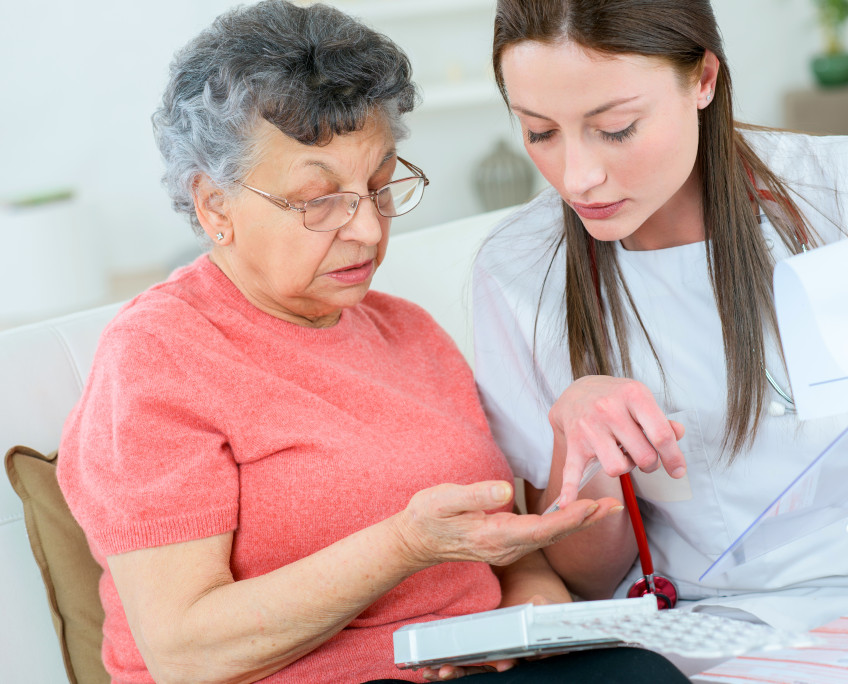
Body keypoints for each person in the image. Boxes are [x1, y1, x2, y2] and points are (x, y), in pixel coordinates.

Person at [55, 2, 691, 683]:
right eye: (319, 200)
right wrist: (404, 546)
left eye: (381, 186)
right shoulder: (159, 354)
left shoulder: (407, 330)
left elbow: (496, 541)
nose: (367, 230)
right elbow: (184, 652)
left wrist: (531, 604)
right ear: (215, 206)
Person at [471, 0, 848, 679]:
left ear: (704, 79)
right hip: (686, 638)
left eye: (615, 128)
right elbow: (590, 578)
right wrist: (581, 446)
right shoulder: (519, 270)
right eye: (539, 132)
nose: (577, 176)